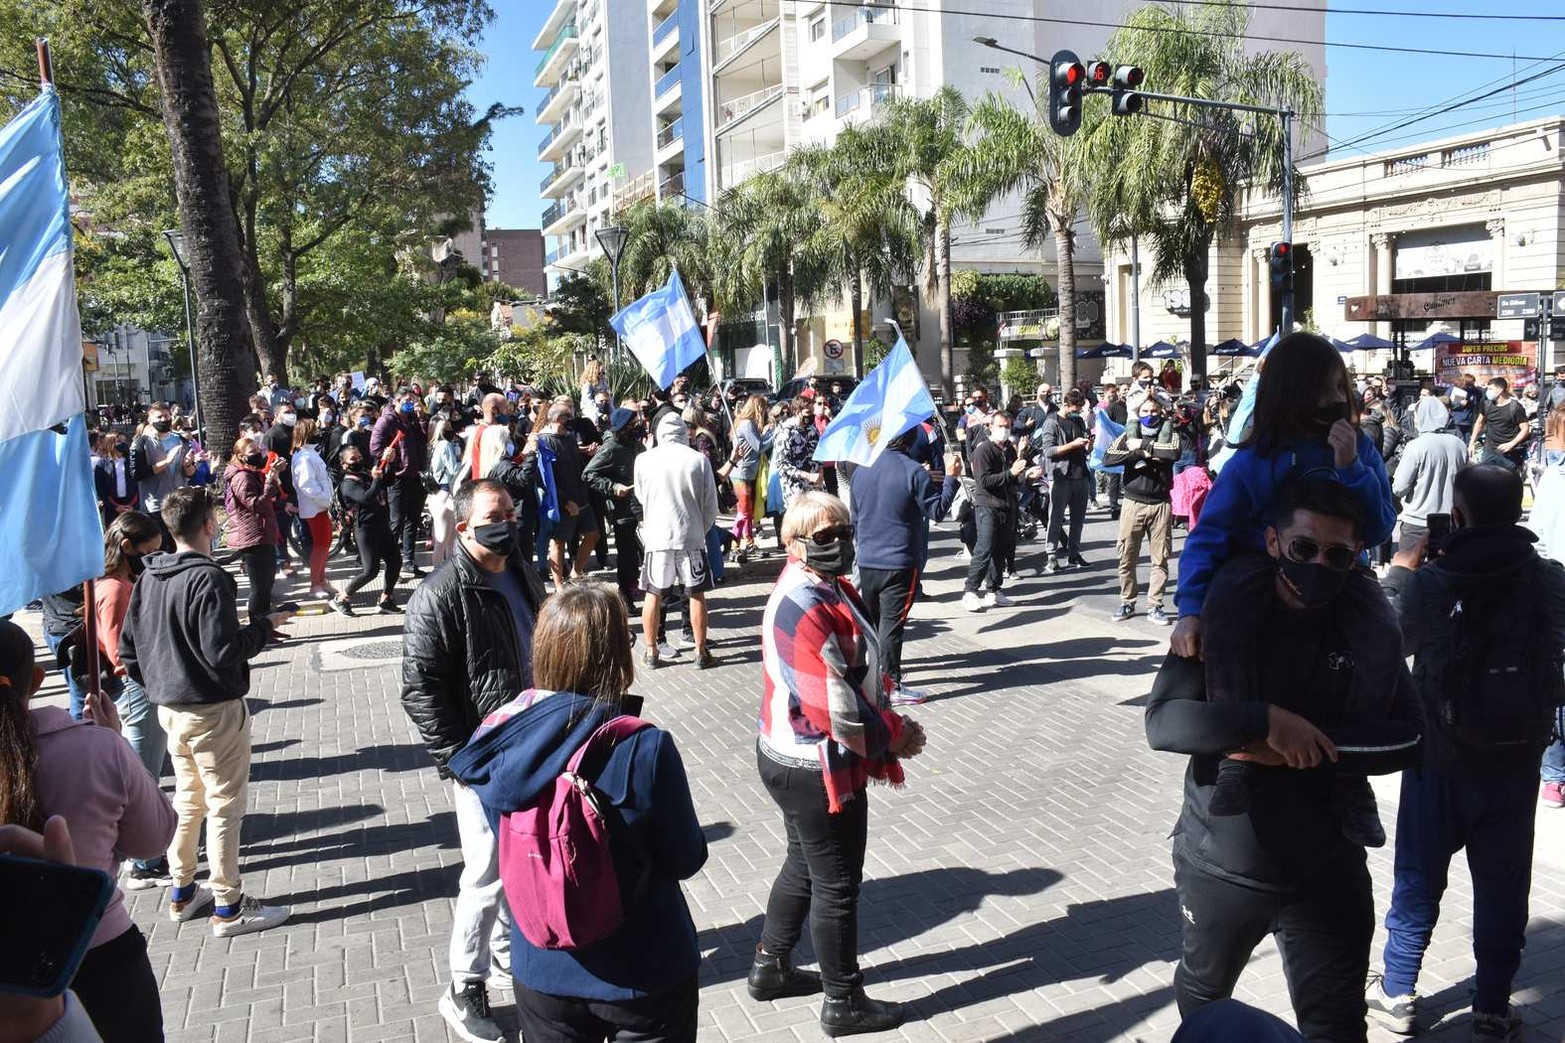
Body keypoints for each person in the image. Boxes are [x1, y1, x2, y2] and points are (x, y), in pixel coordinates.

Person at [1145, 479, 1423, 1042]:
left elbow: (1411, 736)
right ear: (1273, 543)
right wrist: (1262, 720)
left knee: (1338, 1022)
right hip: (1224, 862)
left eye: (1337, 554)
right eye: (1304, 547)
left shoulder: (1369, 630)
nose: (1319, 563)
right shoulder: (1221, 619)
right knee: (1204, 999)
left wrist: (1308, 748)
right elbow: (1164, 722)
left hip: (1328, 865)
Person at [449, 583, 708, 1042]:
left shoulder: (498, 740)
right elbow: (686, 858)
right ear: (615, 655)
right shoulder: (641, 745)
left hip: (543, 966)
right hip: (644, 967)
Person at [1370, 465, 1565, 1041]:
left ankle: (1398, 992)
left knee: (1417, 879)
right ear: (1518, 511)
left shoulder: (1435, 581)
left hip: (1440, 759)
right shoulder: (1549, 580)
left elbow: (1384, 646)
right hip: (1517, 761)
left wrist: (1401, 571)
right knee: (1505, 888)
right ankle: (1492, 1006)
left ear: (1457, 517)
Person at [755, 492, 927, 1037]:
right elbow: (837, 710)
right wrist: (894, 736)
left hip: (796, 755)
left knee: (805, 865)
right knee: (838, 884)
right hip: (814, 764)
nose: (840, 543)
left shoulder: (826, 587)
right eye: (824, 536)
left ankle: (771, 965)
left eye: (844, 530)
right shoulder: (802, 601)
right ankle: (843, 1000)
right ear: (794, 544)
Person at [402, 479, 547, 1043]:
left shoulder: (519, 570)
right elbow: (420, 688)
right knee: (486, 873)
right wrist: (460, 759)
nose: (507, 522)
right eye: (494, 514)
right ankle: (464, 985)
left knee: (519, 860)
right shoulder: (439, 594)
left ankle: (510, 954)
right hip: (483, 756)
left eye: (510, 511)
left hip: (535, 739)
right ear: (462, 527)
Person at [120, 486, 294, 937]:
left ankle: (182, 890)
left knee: (190, 799)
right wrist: (265, 627)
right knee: (223, 806)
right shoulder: (209, 577)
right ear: (209, 526)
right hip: (210, 709)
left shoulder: (148, 577)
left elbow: (129, 651)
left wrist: (160, 685)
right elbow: (223, 651)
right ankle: (228, 904)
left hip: (171, 708)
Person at [0, 619, 176, 1042]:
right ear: (38, 680)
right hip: (99, 956)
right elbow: (153, 840)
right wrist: (114, 740)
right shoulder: (98, 746)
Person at [1171, 333, 1398, 659]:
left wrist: (1352, 468)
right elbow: (1208, 536)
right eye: (1325, 388)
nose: (1337, 397)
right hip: (1259, 577)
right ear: (1294, 391)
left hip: (1340, 574)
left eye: (1339, 386)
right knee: (1219, 641)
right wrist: (1190, 610)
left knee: (1386, 637)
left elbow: (1379, 529)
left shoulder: (1359, 446)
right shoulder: (1254, 459)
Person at [851, 429, 961, 702]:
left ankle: (872, 676)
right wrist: (952, 478)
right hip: (899, 560)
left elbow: (854, 520)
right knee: (891, 626)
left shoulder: (860, 471)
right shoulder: (913, 471)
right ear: (911, 442)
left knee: (873, 624)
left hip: (867, 559)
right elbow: (937, 510)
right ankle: (891, 684)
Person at [94, 511, 172, 890]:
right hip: (137, 689)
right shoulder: (114, 589)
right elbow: (116, 651)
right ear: (127, 547)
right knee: (143, 777)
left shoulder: (121, 582)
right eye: (149, 551)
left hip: (142, 685)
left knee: (147, 772)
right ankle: (143, 862)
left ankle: (146, 854)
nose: (154, 558)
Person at [634, 413, 719, 669]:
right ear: (683, 432)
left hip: (657, 537)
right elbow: (710, 503)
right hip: (690, 535)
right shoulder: (698, 460)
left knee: (653, 593)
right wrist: (700, 529)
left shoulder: (643, 460)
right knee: (696, 594)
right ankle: (700, 650)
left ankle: (651, 651)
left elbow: (640, 494)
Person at [1104, 392, 1180, 625]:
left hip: (1160, 504)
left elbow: (1172, 453)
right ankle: (1127, 600)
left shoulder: (1170, 433)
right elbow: (1109, 458)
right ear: (1138, 413)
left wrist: (1146, 445)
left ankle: (1155, 606)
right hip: (1132, 503)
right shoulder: (1128, 434)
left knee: (1160, 559)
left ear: (1161, 412)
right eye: (1145, 412)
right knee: (1126, 556)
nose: (1150, 415)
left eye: (1154, 411)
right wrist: (1138, 452)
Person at [961, 411, 1030, 612]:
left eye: (1007, 426)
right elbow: (985, 482)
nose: (1004, 430)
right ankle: (970, 591)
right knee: (984, 549)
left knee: (1001, 550)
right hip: (988, 507)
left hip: (1006, 507)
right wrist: (1011, 473)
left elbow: (1012, 479)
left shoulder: (1008, 450)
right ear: (990, 427)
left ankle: (994, 590)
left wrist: (1026, 474)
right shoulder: (983, 451)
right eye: (1000, 426)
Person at [584, 407, 647, 610]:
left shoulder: (637, 445)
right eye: (631, 424)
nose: (636, 426)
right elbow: (589, 474)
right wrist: (613, 487)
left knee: (643, 553)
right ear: (621, 428)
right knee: (627, 555)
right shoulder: (611, 447)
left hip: (642, 507)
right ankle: (625, 597)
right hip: (622, 511)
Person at [332, 445, 402, 616]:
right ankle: (341, 598)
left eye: (359, 457)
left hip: (381, 525)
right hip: (365, 529)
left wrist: (390, 464)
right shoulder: (347, 484)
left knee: (395, 561)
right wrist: (376, 479)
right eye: (353, 459)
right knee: (370, 571)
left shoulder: (365, 474)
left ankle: (386, 599)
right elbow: (366, 498)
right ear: (344, 464)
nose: (357, 461)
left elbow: (389, 481)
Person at [1391, 397, 1467, 553]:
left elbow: (1399, 487)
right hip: (1451, 521)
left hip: (1417, 522)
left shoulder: (1416, 446)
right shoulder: (1459, 444)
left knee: (1410, 572)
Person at [538, 402, 599, 589]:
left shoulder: (569, 438)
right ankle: (559, 585)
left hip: (581, 498)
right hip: (563, 502)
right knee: (559, 542)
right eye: (568, 417)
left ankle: (575, 572)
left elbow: (572, 457)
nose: (572, 420)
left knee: (593, 534)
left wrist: (586, 452)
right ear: (558, 419)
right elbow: (546, 478)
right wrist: (565, 501)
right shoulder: (544, 441)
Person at [221, 436, 282, 622]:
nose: (258, 454)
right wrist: (270, 482)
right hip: (253, 536)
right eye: (252, 452)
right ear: (241, 456)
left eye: (259, 450)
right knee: (260, 586)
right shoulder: (241, 477)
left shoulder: (251, 473)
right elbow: (256, 504)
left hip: (262, 534)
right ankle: (258, 626)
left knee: (267, 583)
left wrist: (272, 476)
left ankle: (266, 626)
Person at [371, 388, 431, 576]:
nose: (411, 403)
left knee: (413, 521)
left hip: (415, 476)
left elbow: (423, 439)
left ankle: (408, 561)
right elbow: (375, 448)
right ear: (395, 401)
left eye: (413, 400)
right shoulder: (386, 421)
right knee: (396, 521)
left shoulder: (412, 418)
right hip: (397, 478)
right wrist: (388, 457)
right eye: (407, 400)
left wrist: (422, 418)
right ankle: (387, 563)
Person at [1041, 389, 1094, 574]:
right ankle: (1051, 555)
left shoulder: (1078, 421)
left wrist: (1088, 444)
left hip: (1080, 474)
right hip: (1061, 477)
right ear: (1065, 405)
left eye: (1079, 410)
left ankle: (1074, 554)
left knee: (1078, 519)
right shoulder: (1051, 422)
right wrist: (1072, 445)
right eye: (1075, 409)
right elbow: (1048, 451)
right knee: (1055, 517)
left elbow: (1084, 450)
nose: (1077, 412)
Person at [130, 403, 194, 548]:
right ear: (150, 420)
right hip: (155, 506)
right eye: (159, 417)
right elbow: (136, 474)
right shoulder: (142, 443)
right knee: (162, 547)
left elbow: (191, 473)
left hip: (179, 502)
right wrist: (166, 462)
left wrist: (188, 465)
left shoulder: (180, 440)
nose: (164, 419)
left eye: (166, 416)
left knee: (181, 546)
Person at [290, 417, 336, 600]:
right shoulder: (304, 457)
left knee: (324, 545)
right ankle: (315, 583)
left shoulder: (309, 454)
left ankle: (321, 579)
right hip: (316, 507)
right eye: (314, 431)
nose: (318, 434)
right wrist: (326, 500)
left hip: (320, 507)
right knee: (320, 546)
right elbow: (307, 484)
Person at [728, 394, 772, 562]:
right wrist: (774, 435)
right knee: (744, 512)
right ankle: (733, 545)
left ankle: (749, 543)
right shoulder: (747, 424)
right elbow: (759, 446)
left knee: (748, 511)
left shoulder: (746, 422)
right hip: (742, 474)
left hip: (748, 472)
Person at [427, 412, 467, 567]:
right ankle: (438, 576)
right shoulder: (444, 445)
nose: (450, 429)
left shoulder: (435, 446)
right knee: (443, 540)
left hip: (439, 495)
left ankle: (449, 573)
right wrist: (464, 462)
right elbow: (453, 470)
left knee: (448, 541)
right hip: (444, 494)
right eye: (447, 427)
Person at [1469, 376, 1530, 473]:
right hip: (1489, 451)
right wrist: (1471, 443)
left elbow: (1525, 429)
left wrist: (1511, 444)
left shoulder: (1516, 407)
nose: (1487, 391)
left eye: (1490, 389)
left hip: (1508, 454)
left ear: (1500, 390)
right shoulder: (1487, 405)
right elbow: (1479, 423)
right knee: (1485, 480)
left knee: (1507, 483)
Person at [93, 435, 139, 528]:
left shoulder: (132, 461)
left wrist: (133, 505)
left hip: (131, 503)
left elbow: (138, 483)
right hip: (113, 505)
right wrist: (114, 506)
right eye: (119, 441)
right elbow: (101, 487)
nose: (123, 443)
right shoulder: (103, 463)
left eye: (124, 441)